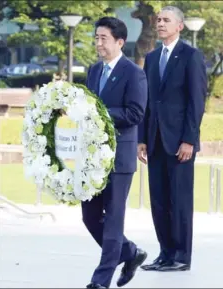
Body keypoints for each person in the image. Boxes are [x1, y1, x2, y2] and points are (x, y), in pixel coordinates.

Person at [138, 6, 207, 272]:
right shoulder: (152, 57)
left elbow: (196, 102)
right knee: (158, 201)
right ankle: (165, 254)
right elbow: (146, 102)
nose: (160, 23)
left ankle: (181, 257)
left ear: (180, 26)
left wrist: (189, 139)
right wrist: (142, 138)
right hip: (155, 141)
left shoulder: (191, 56)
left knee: (179, 201)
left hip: (180, 143)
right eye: (158, 20)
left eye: (166, 20)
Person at [82, 17, 148, 289]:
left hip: (119, 158)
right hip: (93, 157)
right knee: (89, 215)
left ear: (120, 42)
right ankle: (130, 253)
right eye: (96, 37)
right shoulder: (94, 71)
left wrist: (99, 113)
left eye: (103, 38)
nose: (98, 43)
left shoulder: (134, 73)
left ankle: (100, 281)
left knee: (113, 221)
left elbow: (135, 113)